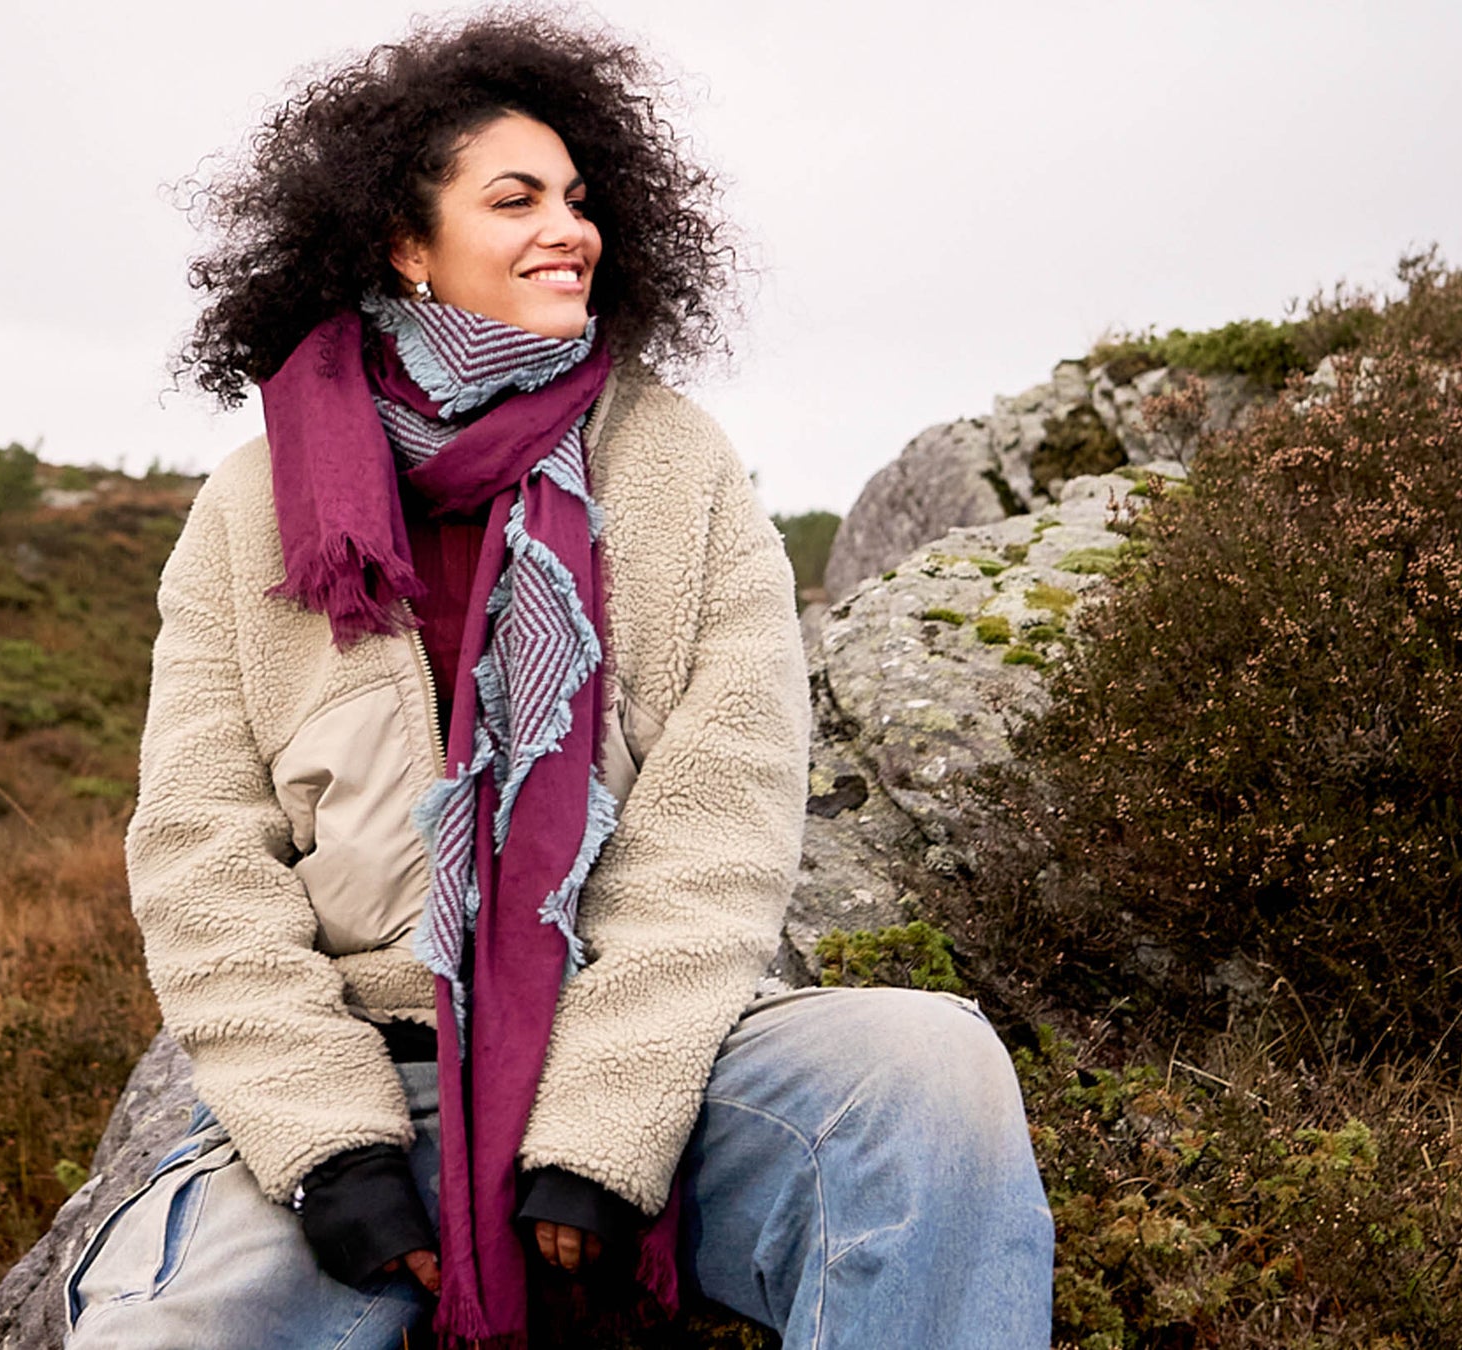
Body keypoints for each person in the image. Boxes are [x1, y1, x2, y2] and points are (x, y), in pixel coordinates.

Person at [63, 12, 1054, 1349]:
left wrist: (608, 1123)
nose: (566, 229)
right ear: (407, 245)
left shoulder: (679, 466)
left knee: (928, 1070)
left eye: (580, 200)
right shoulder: (252, 507)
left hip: (647, 1060)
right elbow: (200, 858)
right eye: (516, 198)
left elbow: (718, 825)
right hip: (369, 1068)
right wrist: (325, 1145)